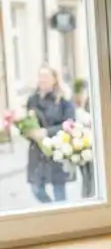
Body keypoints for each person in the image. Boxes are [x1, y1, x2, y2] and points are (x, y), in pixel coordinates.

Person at [25, 66, 75, 203]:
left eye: (46, 76)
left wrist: (47, 132)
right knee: (36, 188)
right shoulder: (32, 100)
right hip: (37, 153)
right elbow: (26, 122)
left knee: (59, 192)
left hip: (57, 150)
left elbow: (70, 123)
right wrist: (28, 132)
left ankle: (62, 218)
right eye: (40, 76)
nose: (42, 79)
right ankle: (52, 211)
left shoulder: (63, 100)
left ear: (54, 79)